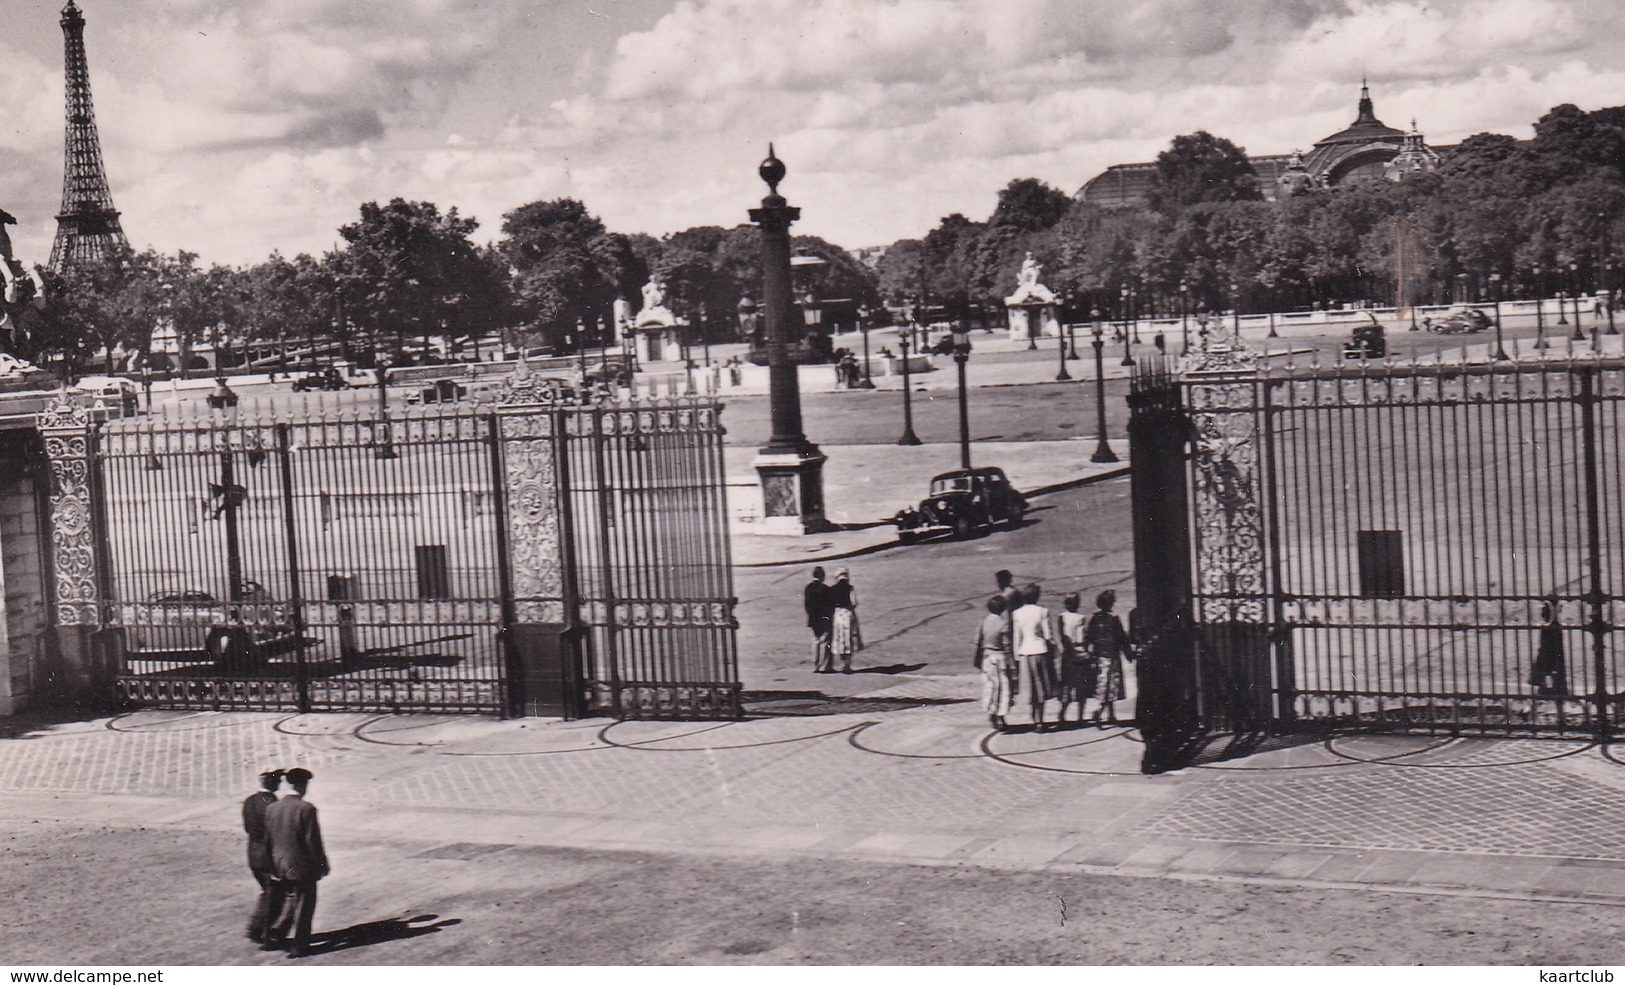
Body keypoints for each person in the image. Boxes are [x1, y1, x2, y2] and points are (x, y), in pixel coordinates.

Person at [264, 768, 329, 958]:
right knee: (304, 904)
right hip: (302, 865)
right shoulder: (306, 808)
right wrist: (322, 864)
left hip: (280, 863)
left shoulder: (272, 808)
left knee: (288, 900)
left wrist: (272, 864)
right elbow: (312, 841)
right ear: (302, 785)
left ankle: (276, 934)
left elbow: (268, 840)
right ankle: (299, 945)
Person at [1008, 583, 1057, 731]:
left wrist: (1016, 657)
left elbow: (1017, 637)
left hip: (1024, 653)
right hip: (1040, 651)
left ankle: (1034, 719)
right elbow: (1048, 635)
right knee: (1041, 686)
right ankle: (1040, 720)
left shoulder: (1017, 613)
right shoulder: (1042, 611)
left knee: (1030, 688)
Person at [242, 769, 283, 945]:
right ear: (271, 782)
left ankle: (255, 928)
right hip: (268, 856)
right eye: (278, 780)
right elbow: (274, 833)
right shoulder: (272, 803)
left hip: (253, 853)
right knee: (275, 895)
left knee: (268, 892)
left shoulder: (249, 801)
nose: (280, 784)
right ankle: (263, 933)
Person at [1086, 589, 1136, 725]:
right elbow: (1123, 639)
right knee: (1112, 685)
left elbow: (1089, 638)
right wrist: (1129, 655)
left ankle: (1110, 714)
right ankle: (1100, 712)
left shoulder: (1094, 619)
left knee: (1103, 685)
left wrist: (1089, 655)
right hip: (1113, 657)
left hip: (1100, 657)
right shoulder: (1114, 619)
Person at [1055, 593, 1096, 725]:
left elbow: (1063, 637)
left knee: (1067, 685)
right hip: (1079, 654)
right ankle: (1080, 716)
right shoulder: (1081, 618)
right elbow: (1081, 638)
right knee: (1081, 687)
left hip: (1068, 655)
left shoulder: (1061, 617)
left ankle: (1062, 713)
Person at [975, 595, 1013, 731]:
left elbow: (978, 641)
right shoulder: (1003, 624)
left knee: (990, 687)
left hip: (986, 657)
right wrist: (1012, 664)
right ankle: (1000, 717)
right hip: (999, 658)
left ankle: (992, 713)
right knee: (1003, 688)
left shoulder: (983, 621)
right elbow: (1007, 646)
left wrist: (977, 660)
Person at [1529, 600, 1569, 697]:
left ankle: (1547, 684)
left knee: (1548, 659)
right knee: (1552, 659)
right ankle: (1555, 685)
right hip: (1551, 632)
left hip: (1550, 633)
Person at [828, 567, 862, 673]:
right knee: (849, 637)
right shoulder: (850, 588)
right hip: (848, 613)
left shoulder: (832, 589)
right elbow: (854, 602)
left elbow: (830, 603)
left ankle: (842, 661)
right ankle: (847, 664)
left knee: (839, 637)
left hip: (838, 614)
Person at [804, 566, 835, 673]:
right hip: (824, 619)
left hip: (813, 619)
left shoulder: (808, 588)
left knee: (816, 641)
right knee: (826, 642)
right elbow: (830, 606)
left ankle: (815, 665)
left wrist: (811, 615)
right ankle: (825, 665)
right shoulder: (826, 588)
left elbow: (807, 605)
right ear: (822, 576)